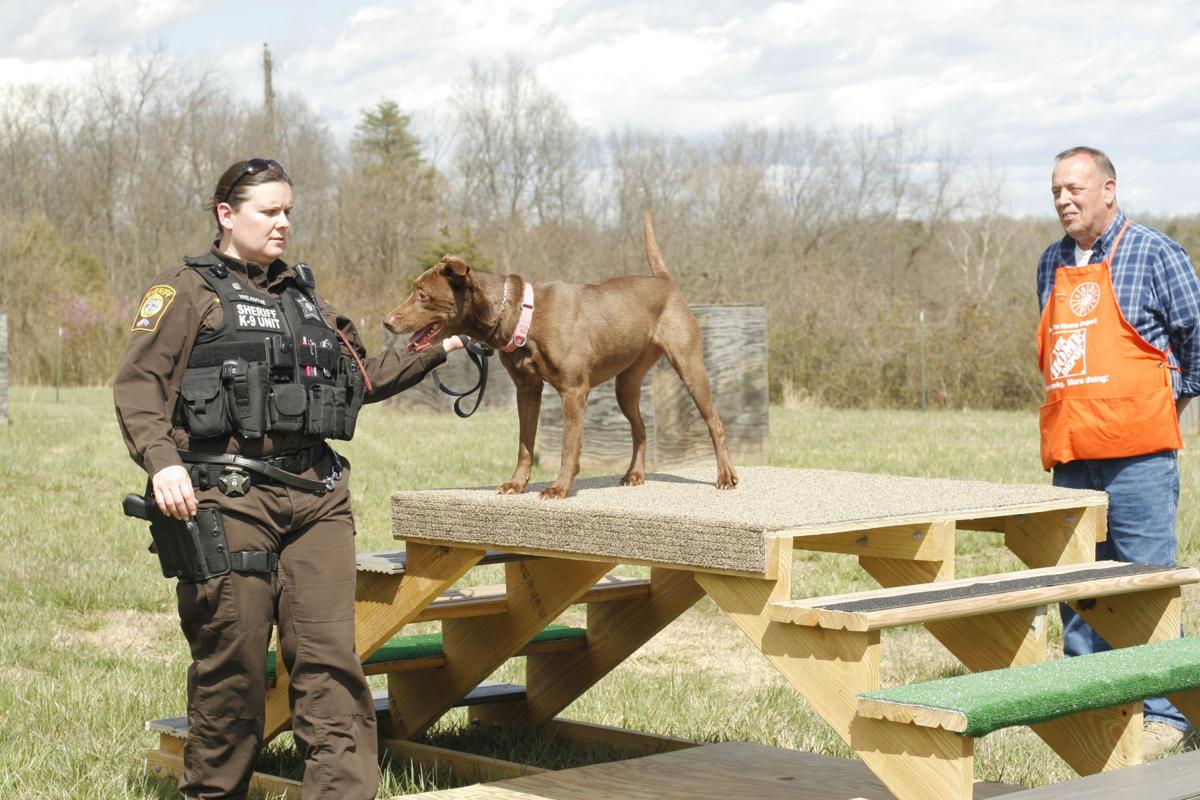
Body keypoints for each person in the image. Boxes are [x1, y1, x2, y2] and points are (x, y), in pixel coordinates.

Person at [114, 158, 463, 799]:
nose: (284, 223)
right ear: (227, 214)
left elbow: (361, 377)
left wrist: (437, 345)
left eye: (289, 211)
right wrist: (162, 462)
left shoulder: (304, 296)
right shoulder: (185, 292)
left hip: (317, 501)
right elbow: (139, 387)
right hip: (226, 499)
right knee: (234, 671)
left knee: (332, 667)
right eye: (269, 211)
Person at [1037, 145, 1200, 755]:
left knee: (1147, 580)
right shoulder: (1049, 263)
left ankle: (1167, 716)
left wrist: (1171, 401)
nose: (1064, 200)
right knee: (1081, 583)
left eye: (1075, 189)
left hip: (1140, 459)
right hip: (1073, 454)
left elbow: (1197, 335)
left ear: (1109, 189)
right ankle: (1093, 702)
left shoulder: (1155, 252)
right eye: (1056, 191)